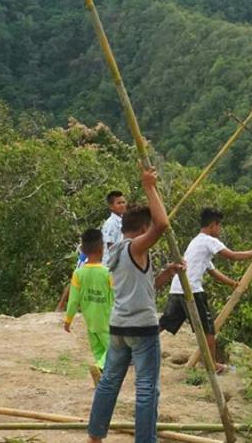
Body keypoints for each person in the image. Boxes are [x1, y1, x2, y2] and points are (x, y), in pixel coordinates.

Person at [87, 165, 182, 443]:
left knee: (109, 384)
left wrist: (166, 273)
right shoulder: (134, 247)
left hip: (119, 328)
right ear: (141, 230)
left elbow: (143, 287)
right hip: (141, 330)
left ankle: (95, 435)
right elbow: (162, 225)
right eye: (146, 230)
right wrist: (149, 186)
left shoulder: (116, 250)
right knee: (146, 390)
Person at [159, 208, 252, 372]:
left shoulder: (196, 242)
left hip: (177, 288)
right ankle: (213, 365)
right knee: (208, 329)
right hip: (191, 291)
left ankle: (134, 350)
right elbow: (231, 255)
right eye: (219, 226)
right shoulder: (209, 241)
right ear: (213, 225)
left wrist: (231, 283)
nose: (220, 229)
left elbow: (212, 271)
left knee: (164, 323)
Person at [63, 228, 113, 386]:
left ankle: (101, 377)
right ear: (102, 249)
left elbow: (73, 300)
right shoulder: (107, 273)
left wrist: (68, 319)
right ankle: (100, 367)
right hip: (107, 319)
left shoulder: (78, 273)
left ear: (83, 250)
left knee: (98, 349)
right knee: (114, 349)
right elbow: (117, 296)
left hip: (90, 320)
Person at [101, 190, 127, 266]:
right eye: (119, 203)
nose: (122, 205)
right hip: (111, 265)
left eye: (123, 202)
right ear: (111, 207)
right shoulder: (111, 223)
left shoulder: (123, 220)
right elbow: (111, 246)